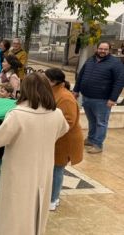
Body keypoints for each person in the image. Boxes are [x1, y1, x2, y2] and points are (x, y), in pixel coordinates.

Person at [0, 72, 69, 235]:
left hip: (19, 171)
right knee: (37, 209)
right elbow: (63, 130)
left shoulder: (18, 115)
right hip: (44, 169)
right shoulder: (57, 113)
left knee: (15, 212)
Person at [72, 41, 124, 154]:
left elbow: (119, 82)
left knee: (101, 122)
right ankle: (91, 139)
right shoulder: (91, 60)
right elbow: (81, 75)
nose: (102, 51)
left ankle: (98, 144)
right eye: (101, 48)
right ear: (97, 48)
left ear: (109, 50)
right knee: (92, 121)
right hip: (87, 97)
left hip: (103, 100)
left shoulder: (116, 64)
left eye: (105, 49)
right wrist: (76, 90)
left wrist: (113, 99)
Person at [45, 68, 84, 211]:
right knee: (52, 169)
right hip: (55, 139)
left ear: (53, 81)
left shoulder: (65, 97)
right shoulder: (53, 92)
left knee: (57, 169)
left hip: (65, 140)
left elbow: (68, 122)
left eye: (46, 78)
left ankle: (53, 200)